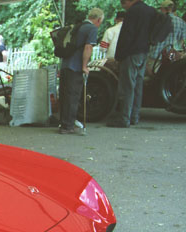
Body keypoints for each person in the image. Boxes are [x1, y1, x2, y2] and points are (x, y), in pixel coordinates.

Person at [107, 0, 156, 128]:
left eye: (124, 3)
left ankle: (124, 118)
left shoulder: (132, 12)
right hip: (144, 51)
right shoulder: (151, 10)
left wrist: (119, 56)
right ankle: (134, 116)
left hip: (131, 53)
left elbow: (126, 35)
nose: (124, 5)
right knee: (138, 85)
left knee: (127, 86)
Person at [58, 8, 104, 135]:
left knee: (64, 95)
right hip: (75, 67)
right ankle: (68, 126)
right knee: (73, 96)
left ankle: (64, 123)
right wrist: (84, 66)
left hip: (65, 65)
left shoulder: (76, 26)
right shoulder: (92, 29)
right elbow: (88, 47)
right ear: (98, 19)